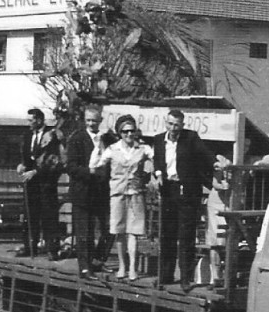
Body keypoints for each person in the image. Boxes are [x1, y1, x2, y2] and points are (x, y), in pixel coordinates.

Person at [152, 109, 214, 292]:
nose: (173, 128)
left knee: (186, 235)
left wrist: (215, 163)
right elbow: (157, 161)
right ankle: (165, 275)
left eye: (177, 125)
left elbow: (205, 155)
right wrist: (157, 174)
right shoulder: (158, 139)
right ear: (165, 123)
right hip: (168, 190)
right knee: (167, 234)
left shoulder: (190, 138)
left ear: (182, 125)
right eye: (170, 124)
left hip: (186, 190)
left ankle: (185, 278)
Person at [91, 115, 154, 281]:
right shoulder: (112, 149)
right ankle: (122, 266)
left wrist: (152, 171)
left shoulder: (143, 148)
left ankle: (132, 268)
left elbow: (157, 160)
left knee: (133, 232)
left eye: (132, 131)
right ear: (120, 132)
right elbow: (96, 165)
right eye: (125, 131)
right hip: (117, 194)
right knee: (119, 231)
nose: (129, 134)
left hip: (135, 194)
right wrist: (97, 148)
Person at [65, 105, 113, 278]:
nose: (92, 123)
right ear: (84, 121)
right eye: (88, 120)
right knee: (84, 231)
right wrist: (89, 172)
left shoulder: (107, 139)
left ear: (100, 120)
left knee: (110, 227)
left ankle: (98, 259)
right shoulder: (77, 139)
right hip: (83, 191)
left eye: (95, 120)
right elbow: (70, 167)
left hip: (101, 191)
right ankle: (85, 267)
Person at [15, 108, 63, 260]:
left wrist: (36, 172)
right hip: (30, 183)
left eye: (31, 120)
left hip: (46, 181)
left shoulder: (51, 135)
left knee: (49, 215)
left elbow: (53, 160)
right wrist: (21, 166)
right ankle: (30, 246)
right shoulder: (27, 136)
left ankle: (52, 249)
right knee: (30, 214)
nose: (28, 123)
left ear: (39, 120)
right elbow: (26, 158)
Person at [201, 154, 232, 288]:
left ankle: (226, 277)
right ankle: (215, 278)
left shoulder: (246, 160)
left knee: (228, 241)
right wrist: (222, 185)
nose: (246, 147)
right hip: (217, 203)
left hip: (231, 203)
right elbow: (215, 183)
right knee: (216, 242)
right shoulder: (222, 160)